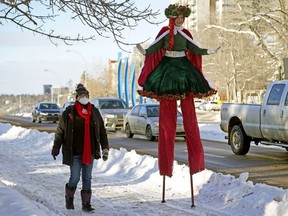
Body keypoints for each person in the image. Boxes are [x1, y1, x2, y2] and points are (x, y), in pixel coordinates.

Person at [136, 3, 219, 196]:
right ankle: (165, 166)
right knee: (167, 121)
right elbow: (154, 48)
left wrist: (210, 51)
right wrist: (143, 50)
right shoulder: (166, 32)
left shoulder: (186, 34)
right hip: (167, 70)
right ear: (172, 18)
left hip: (184, 70)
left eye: (183, 18)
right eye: (178, 18)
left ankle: (196, 163)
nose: (180, 20)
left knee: (190, 118)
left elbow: (195, 49)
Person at [51, 83, 109, 212]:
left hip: (90, 151)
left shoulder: (94, 111)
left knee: (87, 178)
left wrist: (105, 146)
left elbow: (102, 131)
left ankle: (86, 204)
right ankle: (69, 198)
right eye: (81, 95)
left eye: (86, 95)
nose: (84, 97)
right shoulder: (69, 112)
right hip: (75, 152)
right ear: (76, 97)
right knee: (75, 177)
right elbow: (60, 131)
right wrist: (56, 146)